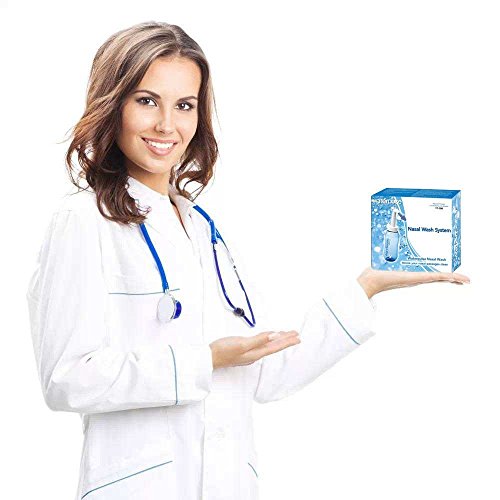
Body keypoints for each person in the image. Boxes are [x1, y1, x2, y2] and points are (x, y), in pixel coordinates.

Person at [25, 21, 470, 500]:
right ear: (113, 105)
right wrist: (205, 361)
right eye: (147, 101)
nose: (167, 125)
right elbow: (67, 379)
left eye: (185, 105)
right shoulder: (83, 221)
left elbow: (262, 372)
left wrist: (367, 288)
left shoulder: (202, 229)